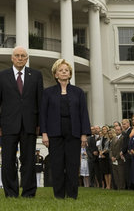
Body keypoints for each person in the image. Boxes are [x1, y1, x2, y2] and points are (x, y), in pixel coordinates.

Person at [0, 46, 43, 198]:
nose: (20, 58)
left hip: (30, 124)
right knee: (8, 161)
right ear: (12, 58)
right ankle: (11, 193)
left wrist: (40, 124)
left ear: (27, 59)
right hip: (8, 125)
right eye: (17, 55)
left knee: (28, 161)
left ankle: (29, 192)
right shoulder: (1, 76)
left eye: (23, 56)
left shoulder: (36, 75)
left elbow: (40, 102)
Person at [40, 59, 91, 199]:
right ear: (55, 74)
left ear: (70, 74)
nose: (64, 72)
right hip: (54, 133)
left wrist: (84, 135)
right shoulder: (48, 92)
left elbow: (83, 114)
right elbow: (43, 114)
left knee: (72, 165)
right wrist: (44, 133)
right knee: (56, 165)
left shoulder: (78, 92)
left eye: (66, 70)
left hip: (74, 133)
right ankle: (59, 195)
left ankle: (72, 195)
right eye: (61, 70)